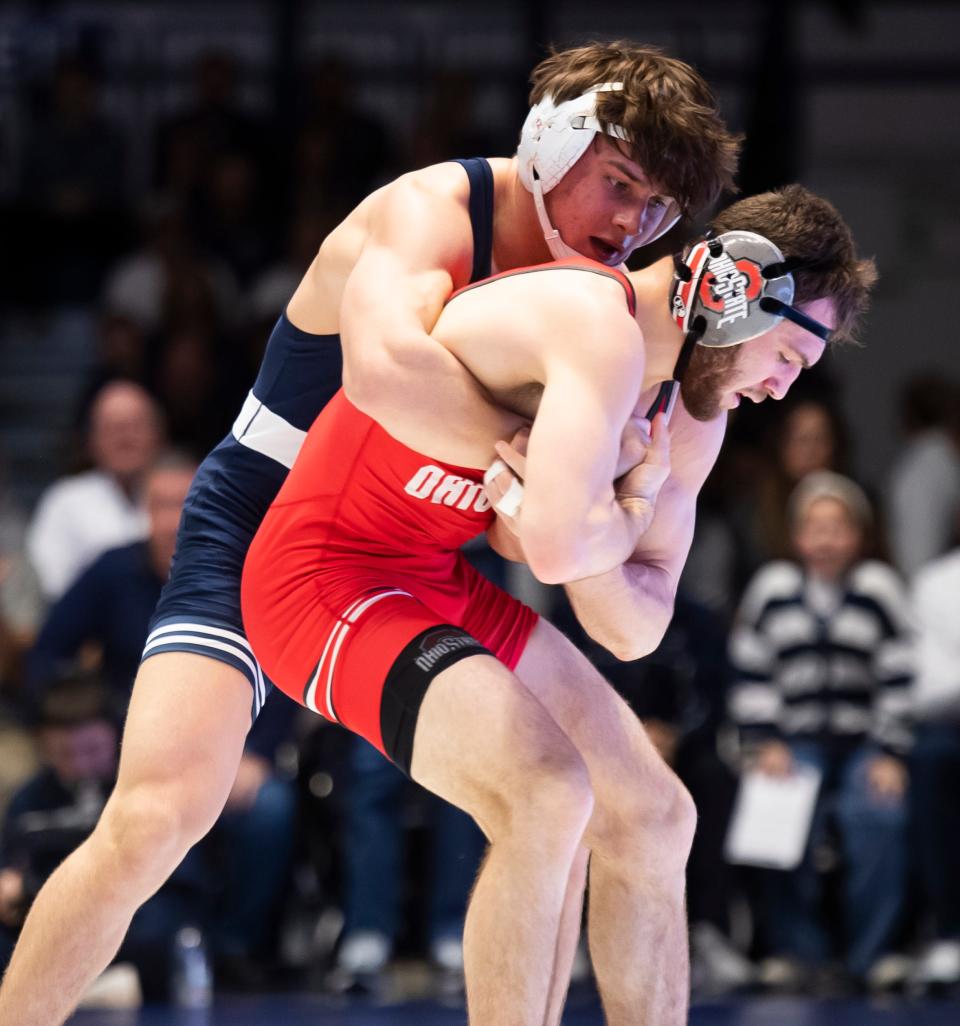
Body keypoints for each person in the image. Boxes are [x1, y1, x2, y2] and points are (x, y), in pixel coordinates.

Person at [0, 41, 740, 1026]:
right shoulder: (434, 210)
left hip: (415, 552)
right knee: (156, 817)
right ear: (553, 141)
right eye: (618, 185)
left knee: (624, 802)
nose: (627, 225)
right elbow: (388, 378)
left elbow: (533, 541)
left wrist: (572, 498)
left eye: (656, 214)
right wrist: (567, 479)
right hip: (274, 516)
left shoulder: (597, 304)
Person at [241, 185, 875, 1024]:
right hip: (325, 574)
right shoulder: (591, 319)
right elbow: (552, 548)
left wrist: (606, 521)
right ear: (740, 289)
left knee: (653, 814)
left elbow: (635, 626)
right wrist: (624, 516)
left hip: (430, 576)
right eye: (789, 358)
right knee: (544, 791)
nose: (783, 391)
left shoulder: (688, 410)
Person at [728, 471, 912, 990]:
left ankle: (872, 957)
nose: (826, 538)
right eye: (815, 527)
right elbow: (751, 670)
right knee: (775, 808)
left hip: (863, 745)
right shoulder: (772, 590)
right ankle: (795, 951)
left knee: (879, 815)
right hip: (793, 742)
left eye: (839, 527)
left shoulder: (880, 589)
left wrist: (891, 751)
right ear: (796, 536)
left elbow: (898, 676)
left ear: (860, 534)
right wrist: (766, 743)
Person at [26, 380, 164, 602]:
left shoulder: (182, 492)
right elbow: (51, 585)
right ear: (91, 439)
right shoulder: (64, 500)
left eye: (135, 426)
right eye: (113, 428)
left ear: (158, 433)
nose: (125, 438)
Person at [907, 521, 960, 993]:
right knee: (931, 759)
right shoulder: (937, 581)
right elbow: (933, 686)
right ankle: (949, 933)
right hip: (952, 721)